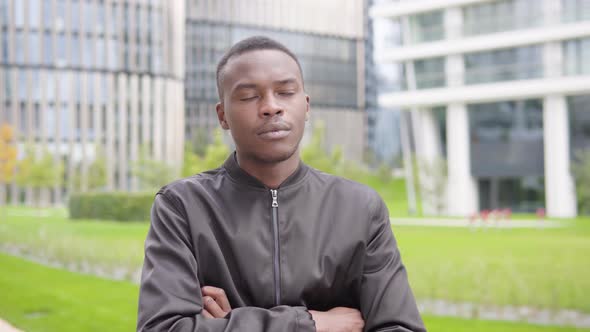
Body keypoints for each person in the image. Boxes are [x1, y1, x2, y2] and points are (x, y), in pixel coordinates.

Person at [137, 36, 426, 332]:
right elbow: (163, 328)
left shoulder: (360, 208)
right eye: (249, 96)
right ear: (223, 116)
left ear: (306, 105)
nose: (271, 107)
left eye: (286, 92)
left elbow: (399, 327)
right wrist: (311, 324)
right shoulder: (182, 206)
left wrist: (227, 324)